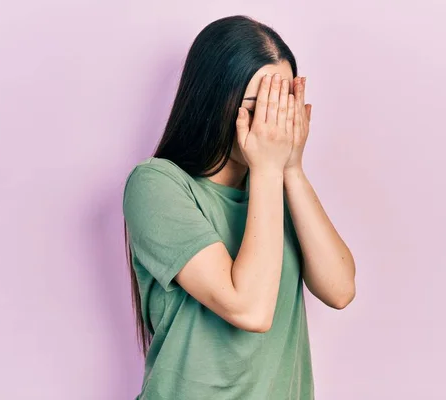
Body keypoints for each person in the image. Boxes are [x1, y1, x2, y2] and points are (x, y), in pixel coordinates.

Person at [122, 15, 356, 400]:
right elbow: (250, 310)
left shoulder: (274, 186)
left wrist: (291, 169)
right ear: (213, 101)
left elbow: (339, 289)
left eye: (283, 103)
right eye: (259, 105)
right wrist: (268, 168)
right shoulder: (156, 185)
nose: (274, 121)